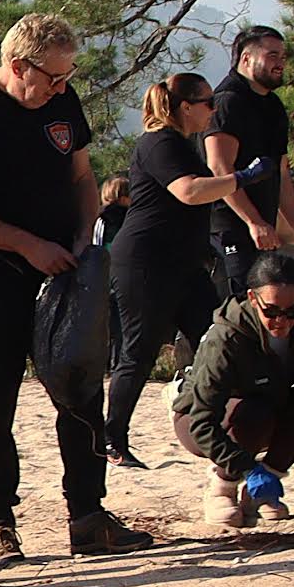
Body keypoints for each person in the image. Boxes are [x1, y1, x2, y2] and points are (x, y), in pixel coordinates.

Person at [0, 13, 154, 565]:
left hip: (64, 266)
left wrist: (84, 232)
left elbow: (82, 175)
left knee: (81, 390)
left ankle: (87, 514)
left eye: (67, 76)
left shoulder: (61, 100)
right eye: (53, 78)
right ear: (17, 65)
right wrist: (26, 245)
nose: (62, 87)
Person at [103, 73, 248, 470]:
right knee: (139, 351)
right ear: (186, 106)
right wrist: (241, 178)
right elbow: (187, 191)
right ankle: (112, 438)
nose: (213, 110)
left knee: (216, 338)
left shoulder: (183, 144)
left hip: (184, 263)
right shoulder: (159, 141)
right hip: (146, 262)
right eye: (207, 103)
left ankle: (207, 419)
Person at [173, 253, 294, 531]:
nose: (283, 320)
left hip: (270, 404)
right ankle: (222, 488)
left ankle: (262, 488)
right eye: (272, 312)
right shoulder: (226, 339)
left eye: (293, 311)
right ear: (253, 300)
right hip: (207, 419)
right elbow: (201, 421)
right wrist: (246, 468)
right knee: (254, 411)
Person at [206, 26, 294, 295]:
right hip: (226, 230)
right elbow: (219, 168)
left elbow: (281, 172)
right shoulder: (227, 101)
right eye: (273, 55)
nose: (280, 64)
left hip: (264, 234)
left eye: (283, 57)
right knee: (238, 306)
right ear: (246, 59)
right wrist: (253, 222)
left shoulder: (274, 107)